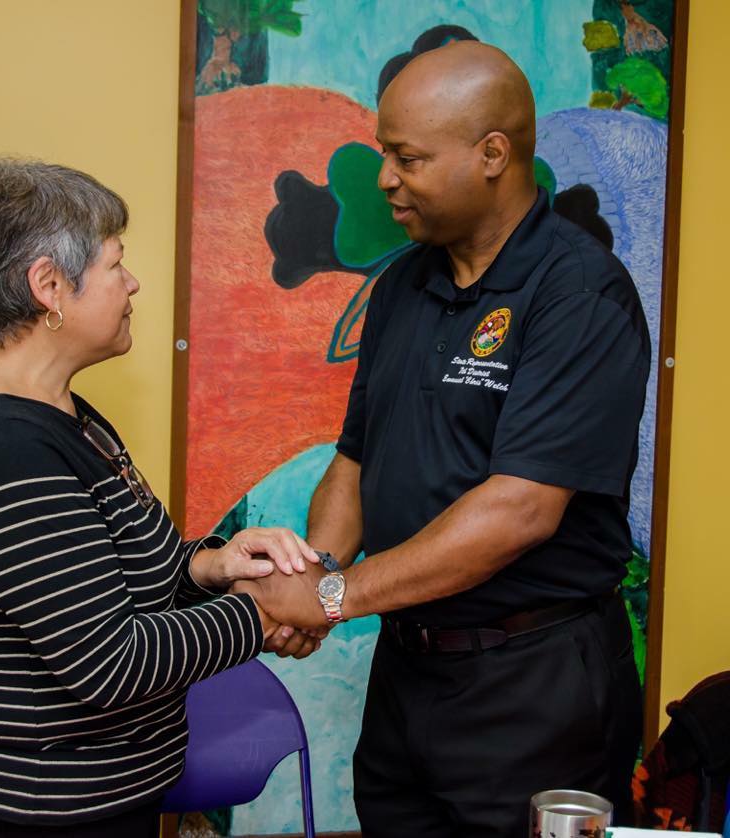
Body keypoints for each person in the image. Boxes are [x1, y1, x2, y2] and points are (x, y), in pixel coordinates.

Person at [234, 41, 649, 838]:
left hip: (531, 688)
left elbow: (520, 509)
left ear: (492, 155)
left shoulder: (578, 292)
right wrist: (318, 569)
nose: (385, 178)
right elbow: (356, 459)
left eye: (408, 157)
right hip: (406, 678)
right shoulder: (401, 287)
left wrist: (332, 598)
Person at [0, 158, 321, 837]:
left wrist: (213, 568)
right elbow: (110, 662)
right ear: (49, 286)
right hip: (30, 814)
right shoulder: (0, 448)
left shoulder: (53, 408)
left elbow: (114, 577)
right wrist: (264, 610)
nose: (133, 284)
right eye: (115, 264)